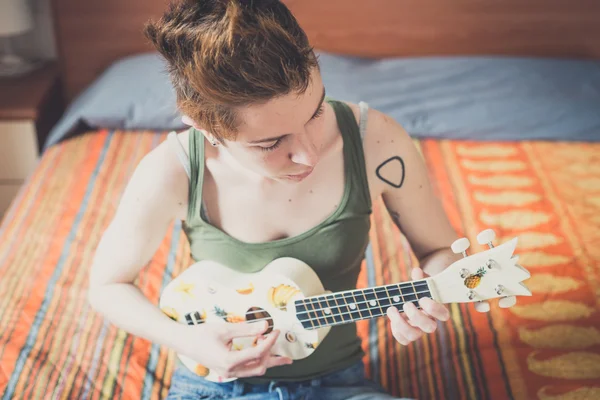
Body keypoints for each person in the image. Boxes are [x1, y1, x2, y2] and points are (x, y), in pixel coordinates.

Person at [88, 0, 460, 398]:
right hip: (213, 387)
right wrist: (184, 340)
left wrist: (429, 297)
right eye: (270, 143)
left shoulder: (377, 142)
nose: (309, 154)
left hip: (339, 384)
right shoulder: (174, 170)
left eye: (316, 113)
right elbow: (107, 286)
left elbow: (441, 250)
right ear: (205, 129)